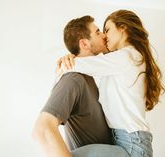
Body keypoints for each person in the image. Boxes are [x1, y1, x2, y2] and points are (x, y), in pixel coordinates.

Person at [57, 10, 165, 157]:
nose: (104, 35)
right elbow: (92, 66)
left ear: (123, 28)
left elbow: (86, 65)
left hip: (133, 146)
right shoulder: (117, 63)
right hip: (127, 141)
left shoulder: (128, 56)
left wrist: (68, 61)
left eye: (107, 30)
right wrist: (73, 58)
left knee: (70, 155)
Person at [32, 15, 129, 157]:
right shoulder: (73, 79)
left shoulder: (89, 75)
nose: (103, 35)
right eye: (97, 32)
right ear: (84, 44)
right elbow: (42, 130)